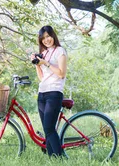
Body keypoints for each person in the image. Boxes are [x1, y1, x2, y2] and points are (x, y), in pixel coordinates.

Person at [31, 25, 67, 157]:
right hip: (42, 93)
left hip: (54, 92)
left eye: (48, 36)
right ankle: (53, 159)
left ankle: (59, 158)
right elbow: (41, 77)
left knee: (49, 128)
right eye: (43, 38)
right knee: (47, 130)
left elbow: (61, 74)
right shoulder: (44, 53)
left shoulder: (60, 51)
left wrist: (46, 63)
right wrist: (37, 64)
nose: (46, 40)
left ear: (53, 36)